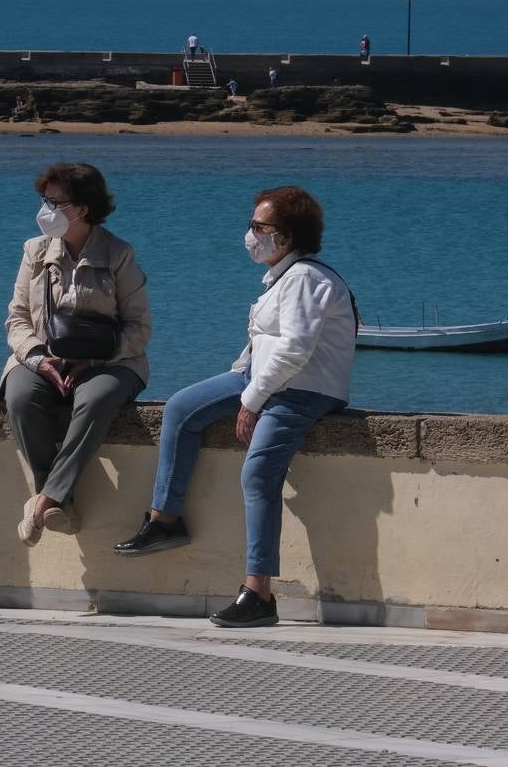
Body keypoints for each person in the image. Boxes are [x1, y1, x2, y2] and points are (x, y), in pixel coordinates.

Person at [113, 186, 357, 628]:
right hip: (262, 379)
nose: (250, 234)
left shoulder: (305, 279)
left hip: (303, 389)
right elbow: (261, 344)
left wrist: (250, 401)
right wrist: (240, 377)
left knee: (258, 474)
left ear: (285, 237)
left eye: (258, 227)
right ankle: (165, 519)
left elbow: (295, 352)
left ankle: (258, 593)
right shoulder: (282, 277)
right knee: (182, 409)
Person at [1, 162, 152, 546]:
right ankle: (59, 500)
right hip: (43, 355)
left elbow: (139, 328)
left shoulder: (119, 254)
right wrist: (38, 359)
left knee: (96, 397)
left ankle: (42, 502)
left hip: (111, 361)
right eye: (43, 200)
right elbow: (17, 318)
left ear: (82, 208)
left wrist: (95, 361)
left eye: (54, 202)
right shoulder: (34, 251)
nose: (44, 209)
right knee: (19, 396)